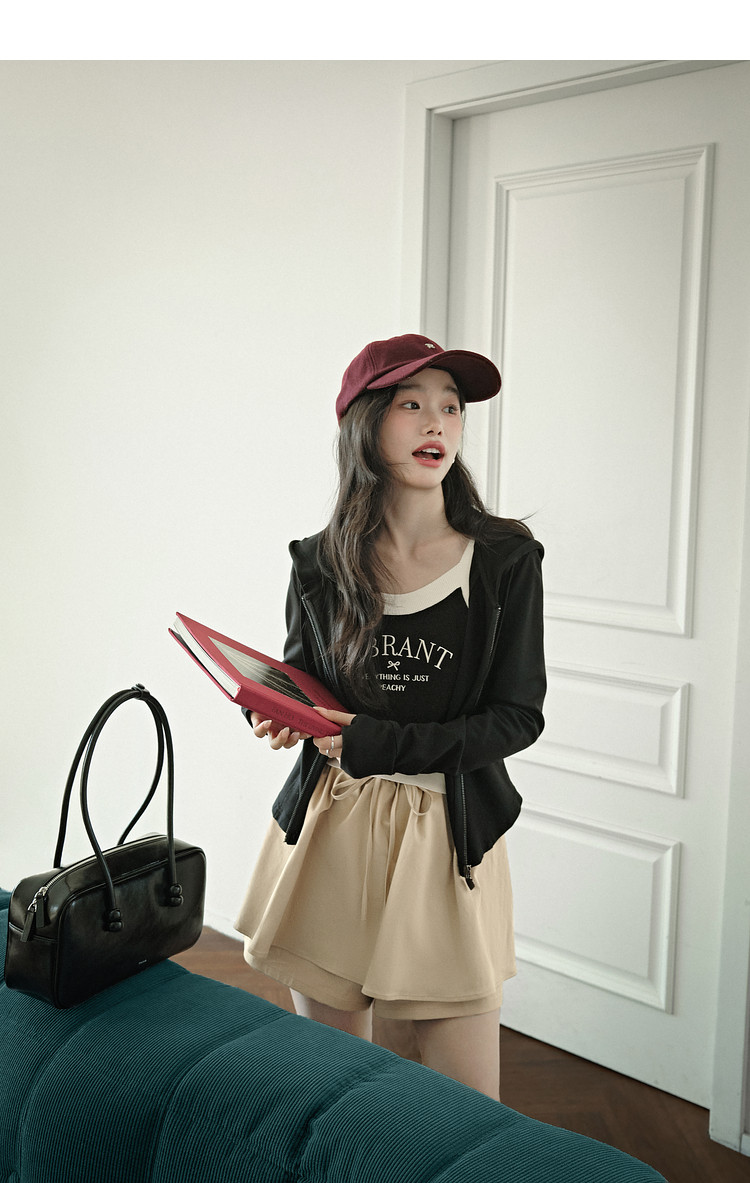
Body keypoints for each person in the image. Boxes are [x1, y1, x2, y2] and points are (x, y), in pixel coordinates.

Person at [235, 333, 545, 1101]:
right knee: (333, 1088)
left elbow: (516, 719)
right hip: (330, 830)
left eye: (451, 407)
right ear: (364, 424)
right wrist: (276, 715)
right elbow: (305, 682)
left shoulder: (504, 560)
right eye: (412, 404)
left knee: (465, 1107)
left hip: (446, 837)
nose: (437, 422)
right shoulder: (318, 562)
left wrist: (375, 741)